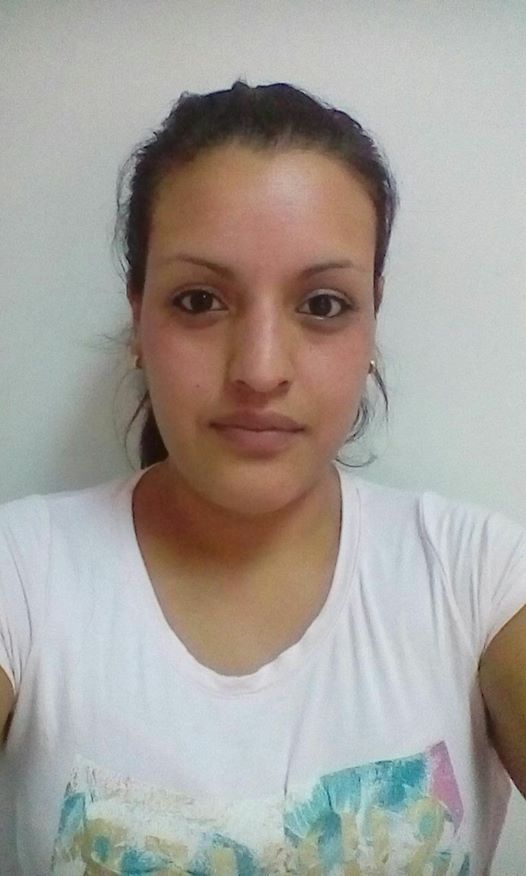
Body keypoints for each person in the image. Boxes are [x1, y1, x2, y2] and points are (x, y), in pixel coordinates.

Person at [0, 80, 525, 875]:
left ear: (372, 321)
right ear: (138, 314)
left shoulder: (477, 579)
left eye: (323, 304)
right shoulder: (23, 576)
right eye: (199, 300)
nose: (259, 369)